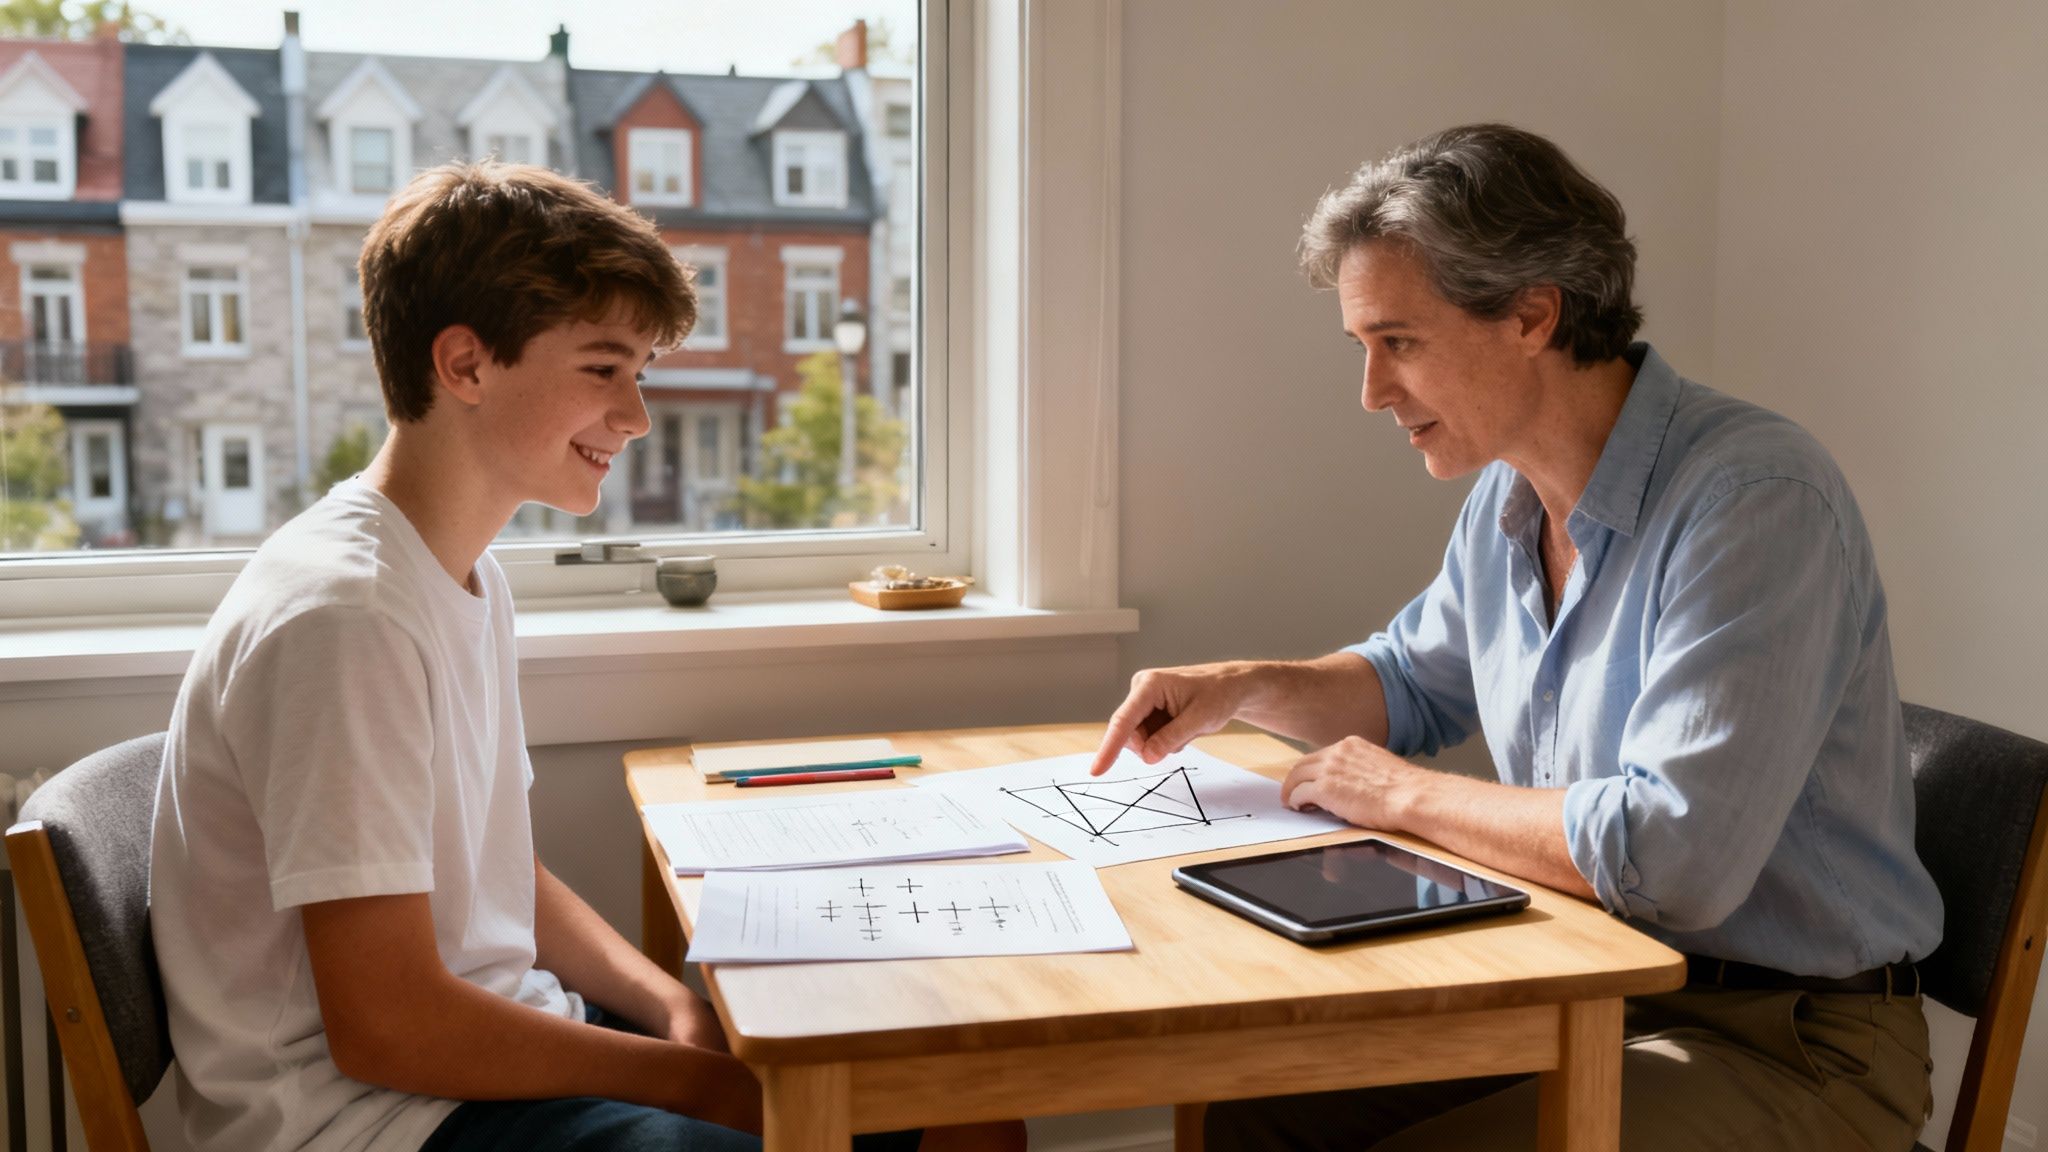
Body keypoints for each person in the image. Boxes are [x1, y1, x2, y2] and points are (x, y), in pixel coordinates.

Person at [1091, 124, 1941, 1151]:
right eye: (1361, 347)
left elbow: (1673, 858)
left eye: (1398, 343)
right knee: (1255, 1101)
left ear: (1532, 314)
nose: (1371, 392)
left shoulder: (1753, 500)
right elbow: (1408, 683)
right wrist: (1239, 686)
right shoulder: (1510, 492)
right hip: (1586, 989)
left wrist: (1400, 794)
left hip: (1785, 1042)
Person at [151, 162, 1014, 1152]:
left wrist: (669, 1008)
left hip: (473, 1058)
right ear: (465, 365)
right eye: (603, 370)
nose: (636, 418)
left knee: (964, 1106)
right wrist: (698, 1085)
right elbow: (387, 1026)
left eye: (638, 375)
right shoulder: (345, 617)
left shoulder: (458, 572)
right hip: (373, 1120)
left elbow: (499, 872)